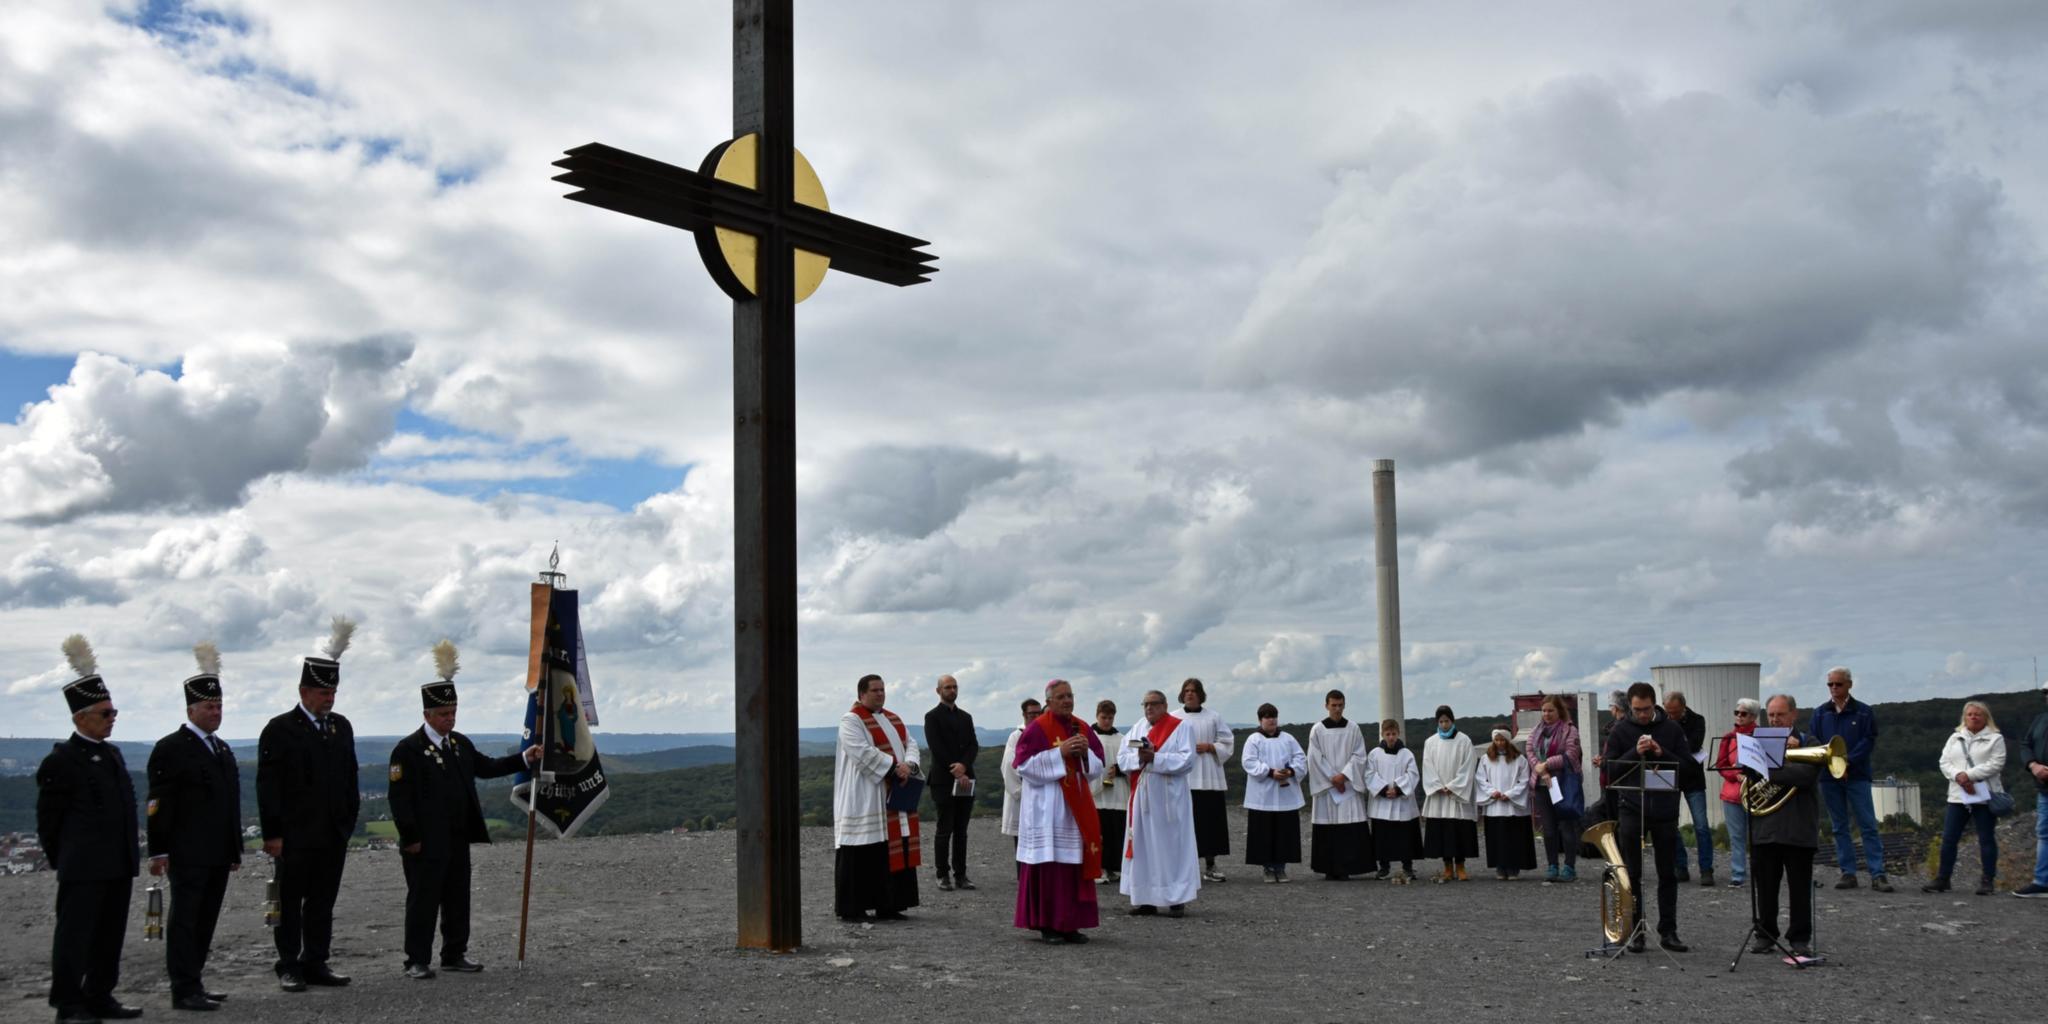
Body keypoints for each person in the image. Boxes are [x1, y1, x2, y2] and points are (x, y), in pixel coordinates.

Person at [386, 642, 542, 978]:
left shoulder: (459, 743)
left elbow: (485, 767)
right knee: (424, 901)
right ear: (427, 715)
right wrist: (410, 837)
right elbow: (399, 798)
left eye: (453, 713)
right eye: (443, 714)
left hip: (456, 836)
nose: (449, 719)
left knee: (457, 897)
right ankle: (416, 959)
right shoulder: (408, 750)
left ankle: (454, 952)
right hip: (424, 841)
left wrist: (523, 759)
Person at [38, 636, 143, 1024]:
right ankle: (69, 1004)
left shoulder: (112, 754)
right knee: (75, 938)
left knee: (108, 937)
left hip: (116, 863)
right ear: (81, 717)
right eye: (105, 713)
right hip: (83, 866)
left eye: (113, 711)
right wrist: (64, 858)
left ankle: (100, 995)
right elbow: (49, 821)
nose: (112, 718)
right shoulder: (61, 761)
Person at [258, 616, 361, 992]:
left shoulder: (341, 727)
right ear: (304, 691)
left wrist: (348, 821)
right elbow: (268, 785)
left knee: (321, 903)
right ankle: (288, 963)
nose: (328, 700)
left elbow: (349, 778)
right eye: (322, 694)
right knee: (289, 903)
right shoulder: (280, 729)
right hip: (295, 836)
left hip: (332, 833)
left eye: (332, 694)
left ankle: (316, 961)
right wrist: (273, 833)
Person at [146, 643, 241, 1011]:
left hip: (217, 852)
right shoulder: (172, 748)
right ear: (191, 710)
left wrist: (233, 849)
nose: (215, 712)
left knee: (205, 920)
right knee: (185, 921)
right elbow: (158, 804)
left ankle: (195, 980)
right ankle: (183, 988)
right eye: (209, 707)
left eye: (219, 707)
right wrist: (158, 850)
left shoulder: (222, 748)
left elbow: (228, 804)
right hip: (187, 852)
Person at [1013, 680, 1106, 944]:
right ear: (1049, 702)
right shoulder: (1037, 728)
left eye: (1070, 696)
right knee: (1049, 866)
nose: (1067, 701)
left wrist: (1086, 754)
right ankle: (1047, 925)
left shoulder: (1083, 727)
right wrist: (1059, 753)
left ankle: (1070, 924)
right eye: (1061, 697)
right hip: (1047, 808)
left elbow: (1099, 766)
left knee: (1073, 864)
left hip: (1075, 807)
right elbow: (1023, 766)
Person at [1605, 681, 1689, 952]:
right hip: (1632, 808)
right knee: (1633, 873)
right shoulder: (1620, 730)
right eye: (1638, 710)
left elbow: (1688, 768)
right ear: (1630, 706)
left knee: (1667, 873)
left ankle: (1669, 931)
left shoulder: (1672, 729)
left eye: (1647, 709)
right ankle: (1636, 930)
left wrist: (1662, 753)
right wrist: (1635, 752)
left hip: (1664, 810)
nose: (1642, 715)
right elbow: (1610, 771)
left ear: (1655, 705)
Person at [833, 674, 923, 921]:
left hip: (892, 793)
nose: (880, 694)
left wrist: (910, 765)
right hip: (864, 797)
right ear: (862, 693)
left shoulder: (893, 719)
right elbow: (862, 752)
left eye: (882, 690)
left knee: (887, 849)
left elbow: (911, 743)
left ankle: (889, 904)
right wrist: (896, 767)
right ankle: (853, 908)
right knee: (862, 852)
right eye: (875, 690)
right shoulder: (851, 720)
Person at [1748, 695, 1822, 957]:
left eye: (1780, 715)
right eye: (1771, 715)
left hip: (1798, 828)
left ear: (1793, 715)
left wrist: (1770, 767)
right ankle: (1765, 934)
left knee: (1800, 888)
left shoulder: (1809, 742)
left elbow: (1805, 777)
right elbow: (1750, 775)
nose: (1775, 719)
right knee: (1765, 887)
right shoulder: (1757, 743)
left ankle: (1800, 938)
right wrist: (1776, 766)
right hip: (1765, 828)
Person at [1119, 690, 1200, 917]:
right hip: (1143, 797)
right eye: (1145, 704)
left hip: (1168, 798)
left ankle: (1176, 899)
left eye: (1154, 704)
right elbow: (1123, 757)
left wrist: (1156, 758)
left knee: (1171, 847)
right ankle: (1146, 899)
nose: (1149, 708)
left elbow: (1187, 760)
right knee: (1144, 847)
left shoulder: (1181, 727)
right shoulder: (1137, 729)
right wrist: (1139, 758)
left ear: (1165, 705)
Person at [1811, 667, 1892, 891]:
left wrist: (1847, 762)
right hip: (1829, 777)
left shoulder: (1864, 712)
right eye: (1830, 684)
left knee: (1867, 825)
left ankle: (1878, 874)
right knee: (1839, 826)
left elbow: (1868, 740)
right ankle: (1848, 873)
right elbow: (1815, 742)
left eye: (1838, 684)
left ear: (1849, 685)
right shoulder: (1820, 713)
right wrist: (1834, 764)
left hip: (1857, 776)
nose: (1834, 688)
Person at [1925, 700, 2007, 896]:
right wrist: (1958, 776)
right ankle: (1943, 879)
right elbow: (1944, 762)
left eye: (1978, 714)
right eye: (1970, 714)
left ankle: (1987, 880)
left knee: (1986, 839)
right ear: (1964, 717)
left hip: (1984, 796)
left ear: (1986, 717)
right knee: (1949, 838)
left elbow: (1996, 764)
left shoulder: (1995, 739)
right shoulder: (1955, 738)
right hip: (1957, 796)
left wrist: (1968, 775)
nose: (1973, 717)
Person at [1305, 690, 1374, 881]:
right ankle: (1329, 867)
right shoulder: (1318, 729)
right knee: (1328, 826)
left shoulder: (1353, 728)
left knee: (1349, 825)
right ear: (1326, 705)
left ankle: (1347, 867)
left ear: (1344, 705)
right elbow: (1314, 757)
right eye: (1333, 705)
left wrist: (1344, 776)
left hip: (1348, 786)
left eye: (1340, 705)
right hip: (1328, 787)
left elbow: (1360, 755)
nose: (1337, 709)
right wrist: (1332, 778)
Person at [923, 674, 979, 892]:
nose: (952, 690)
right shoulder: (932, 717)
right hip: (943, 780)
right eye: (947, 687)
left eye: (954, 686)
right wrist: (956, 769)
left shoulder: (966, 717)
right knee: (944, 828)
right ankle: (942, 874)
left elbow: (973, 745)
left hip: (966, 779)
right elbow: (936, 747)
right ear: (938, 691)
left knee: (961, 829)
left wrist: (964, 767)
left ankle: (961, 875)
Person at [1176, 678, 1234, 882]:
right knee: (1184, 824)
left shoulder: (1213, 717)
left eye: (1193, 690)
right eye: (1186, 690)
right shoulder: (1174, 717)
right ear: (1182, 694)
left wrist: (1210, 747)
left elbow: (1227, 742)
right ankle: (1184, 868)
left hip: (1209, 777)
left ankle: (1210, 865)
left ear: (1201, 694)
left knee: (1210, 823)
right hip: (1185, 778)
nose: (1190, 694)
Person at [1241, 703, 1306, 882]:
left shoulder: (1288, 738)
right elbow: (1249, 762)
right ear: (1260, 719)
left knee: (1284, 833)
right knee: (1264, 833)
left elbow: (1300, 758)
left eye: (1274, 716)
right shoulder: (1254, 739)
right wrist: (1270, 772)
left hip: (1285, 795)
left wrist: (1290, 771)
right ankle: (1268, 867)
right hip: (1263, 795)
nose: (1271, 720)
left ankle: (1281, 867)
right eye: (1267, 716)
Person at [1527, 694, 1582, 883]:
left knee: (1566, 826)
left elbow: (1571, 755)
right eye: (1544, 710)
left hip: (1563, 782)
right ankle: (1552, 865)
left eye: (1551, 710)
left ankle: (1569, 866)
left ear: (1559, 711)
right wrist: (1540, 769)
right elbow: (1529, 750)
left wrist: (1547, 764)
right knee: (1548, 828)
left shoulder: (1569, 730)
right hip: (1543, 784)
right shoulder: (1537, 730)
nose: (1547, 714)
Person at [1420, 705, 1478, 882]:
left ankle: (1460, 866)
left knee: (1459, 831)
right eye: (1441, 721)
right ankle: (1447, 867)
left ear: (1452, 721)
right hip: (1439, 795)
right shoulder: (1430, 742)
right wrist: (1437, 786)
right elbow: (1427, 766)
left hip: (1457, 794)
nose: (1444, 725)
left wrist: (1453, 786)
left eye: (1447, 721)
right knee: (1443, 832)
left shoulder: (1464, 740)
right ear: (1437, 722)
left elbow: (1468, 766)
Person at [1663, 690, 1713, 886]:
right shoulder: (1662, 721)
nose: (1671, 716)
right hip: (1671, 779)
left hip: (1693, 780)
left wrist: (1671, 745)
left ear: (1683, 707)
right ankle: (1680, 866)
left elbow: (1693, 745)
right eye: (1669, 712)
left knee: (1701, 826)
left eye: (1675, 712)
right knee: (1670, 824)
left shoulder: (1697, 720)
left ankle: (1706, 869)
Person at [1476, 727, 1536, 880]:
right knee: (1497, 838)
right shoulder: (1486, 758)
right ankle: (1500, 867)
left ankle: (1513, 867)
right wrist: (1492, 792)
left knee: (1514, 838)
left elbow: (1524, 780)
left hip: (1512, 806)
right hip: (1495, 805)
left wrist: (1510, 794)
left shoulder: (1519, 759)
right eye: (1497, 740)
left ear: (1508, 740)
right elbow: (1481, 779)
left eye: (1502, 739)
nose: (1500, 743)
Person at [1366, 719, 1420, 883]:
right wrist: (1383, 790)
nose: (1391, 737)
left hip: (1402, 803)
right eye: (1388, 734)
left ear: (1398, 734)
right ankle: (1384, 867)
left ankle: (1407, 867)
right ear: (1382, 734)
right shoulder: (1375, 754)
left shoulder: (1406, 754)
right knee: (1382, 837)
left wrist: (1398, 789)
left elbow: (1413, 774)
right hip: (1381, 803)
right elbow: (1369, 774)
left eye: (1393, 734)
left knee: (1405, 836)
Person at [1715, 698, 1761, 889]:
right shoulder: (1728, 738)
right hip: (1733, 793)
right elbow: (1720, 765)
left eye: (1743, 714)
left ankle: (1761, 871)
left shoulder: (1762, 736)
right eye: (1737, 713)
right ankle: (1738, 873)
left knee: (1758, 836)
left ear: (1753, 716)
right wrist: (1736, 775)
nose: (1739, 717)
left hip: (1757, 793)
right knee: (1737, 836)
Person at [2016, 680, 2048, 898]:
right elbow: (2025, 744)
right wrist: (2033, 765)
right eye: (2046, 692)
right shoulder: (2041, 719)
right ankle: (2042, 881)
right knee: (2044, 834)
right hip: (2044, 789)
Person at [1091, 700, 1128, 885]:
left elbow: (1131, 762)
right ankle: (1100, 867)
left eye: (1110, 718)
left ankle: (1114, 867)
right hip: (1096, 792)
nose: (1107, 721)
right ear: (1097, 716)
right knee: (1099, 832)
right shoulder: (1089, 737)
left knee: (1116, 831)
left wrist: (1120, 770)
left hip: (1118, 792)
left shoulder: (1122, 739)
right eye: (1103, 717)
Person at [1000, 699, 1042, 848]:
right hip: (1023, 794)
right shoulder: (1016, 736)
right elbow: (1009, 765)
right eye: (1032, 714)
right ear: (1024, 714)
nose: (1036, 717)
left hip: (1041, 795)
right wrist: (1021, 791)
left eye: (1039, 713)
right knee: (1022, 843)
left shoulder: (1045, 734)